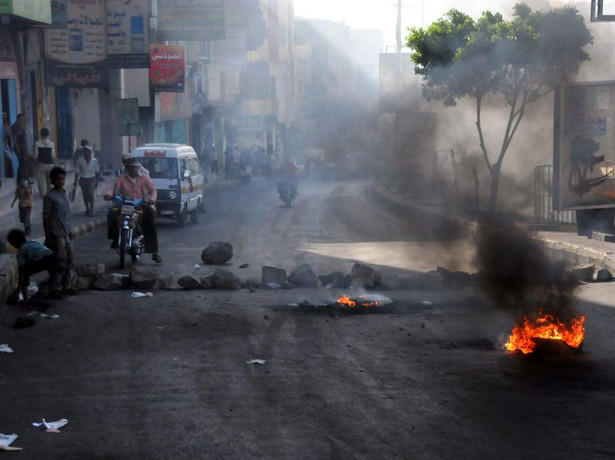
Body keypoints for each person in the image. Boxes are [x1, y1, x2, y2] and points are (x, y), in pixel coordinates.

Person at [104, 156, 162, 263]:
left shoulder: (144, 178)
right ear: (127, 168)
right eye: (131, 167)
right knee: (112, 213)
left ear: (138, 167)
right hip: (125, 204)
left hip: (140, 204)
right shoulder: (122, 178)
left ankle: (154, 252)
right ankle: (115, 237)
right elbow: (113, 188)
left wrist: (151, 199)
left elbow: (153, 190)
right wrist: (108, 195)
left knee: (149, 222)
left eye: (135, 167)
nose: (133, 169)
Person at [43, 166, 77, 299]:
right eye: (57, 179)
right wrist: (48, 236)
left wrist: (69, 231)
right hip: (56, 233)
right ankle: (55, 288)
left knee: (70, 260)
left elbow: (66, 216)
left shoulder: (64, 194)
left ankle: (66, 286)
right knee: (60, 261)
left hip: (65, 232)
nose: (60, 181)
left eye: (62, 178)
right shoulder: (50, 197)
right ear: (52, 180)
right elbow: (46, 217)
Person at [6, 229, 55, 306]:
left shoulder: (21, 251)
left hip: (41, 260)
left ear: (14, 243)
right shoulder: (33, 242)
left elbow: (22, 272)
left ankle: (25, 298)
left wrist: (19, 287)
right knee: (53, 273)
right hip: (52, 257)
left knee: (24, 272)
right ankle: (55, 288)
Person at [73, 144, 100, 217]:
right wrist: (75, 182)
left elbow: (97, 172)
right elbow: (77, 172)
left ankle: (91, 210)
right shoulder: (79, 161)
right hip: (83, 179)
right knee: (85, 195)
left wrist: (97, 181)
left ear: (90, 152)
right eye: (84, 152)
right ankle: (87, 209)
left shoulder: (95, 161)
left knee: (90, 193)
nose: (86, 153)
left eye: (87, 152)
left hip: (92, 179)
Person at [34, 127, 56, 199]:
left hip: (41, 165)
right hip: (50, 165)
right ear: (48, 135)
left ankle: (44, 196)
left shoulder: (37, 144)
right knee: (50, 182)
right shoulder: (51, 144)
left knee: (41, 183)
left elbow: (36, 156)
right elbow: (53, 156)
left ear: (40, 134)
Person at [11, 113, 29, 180]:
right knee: (21, 163)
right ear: (18, 119)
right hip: (18, 147)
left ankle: (25, 178)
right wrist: (18, 149)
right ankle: (19, 179)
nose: (23, 120)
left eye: (24, 119)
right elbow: (14, 139)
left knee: (25, 163)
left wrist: (27, 147)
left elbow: (25, 137)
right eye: (22, 119)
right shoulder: (14, 126)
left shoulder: (22, 125)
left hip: (23, 146)